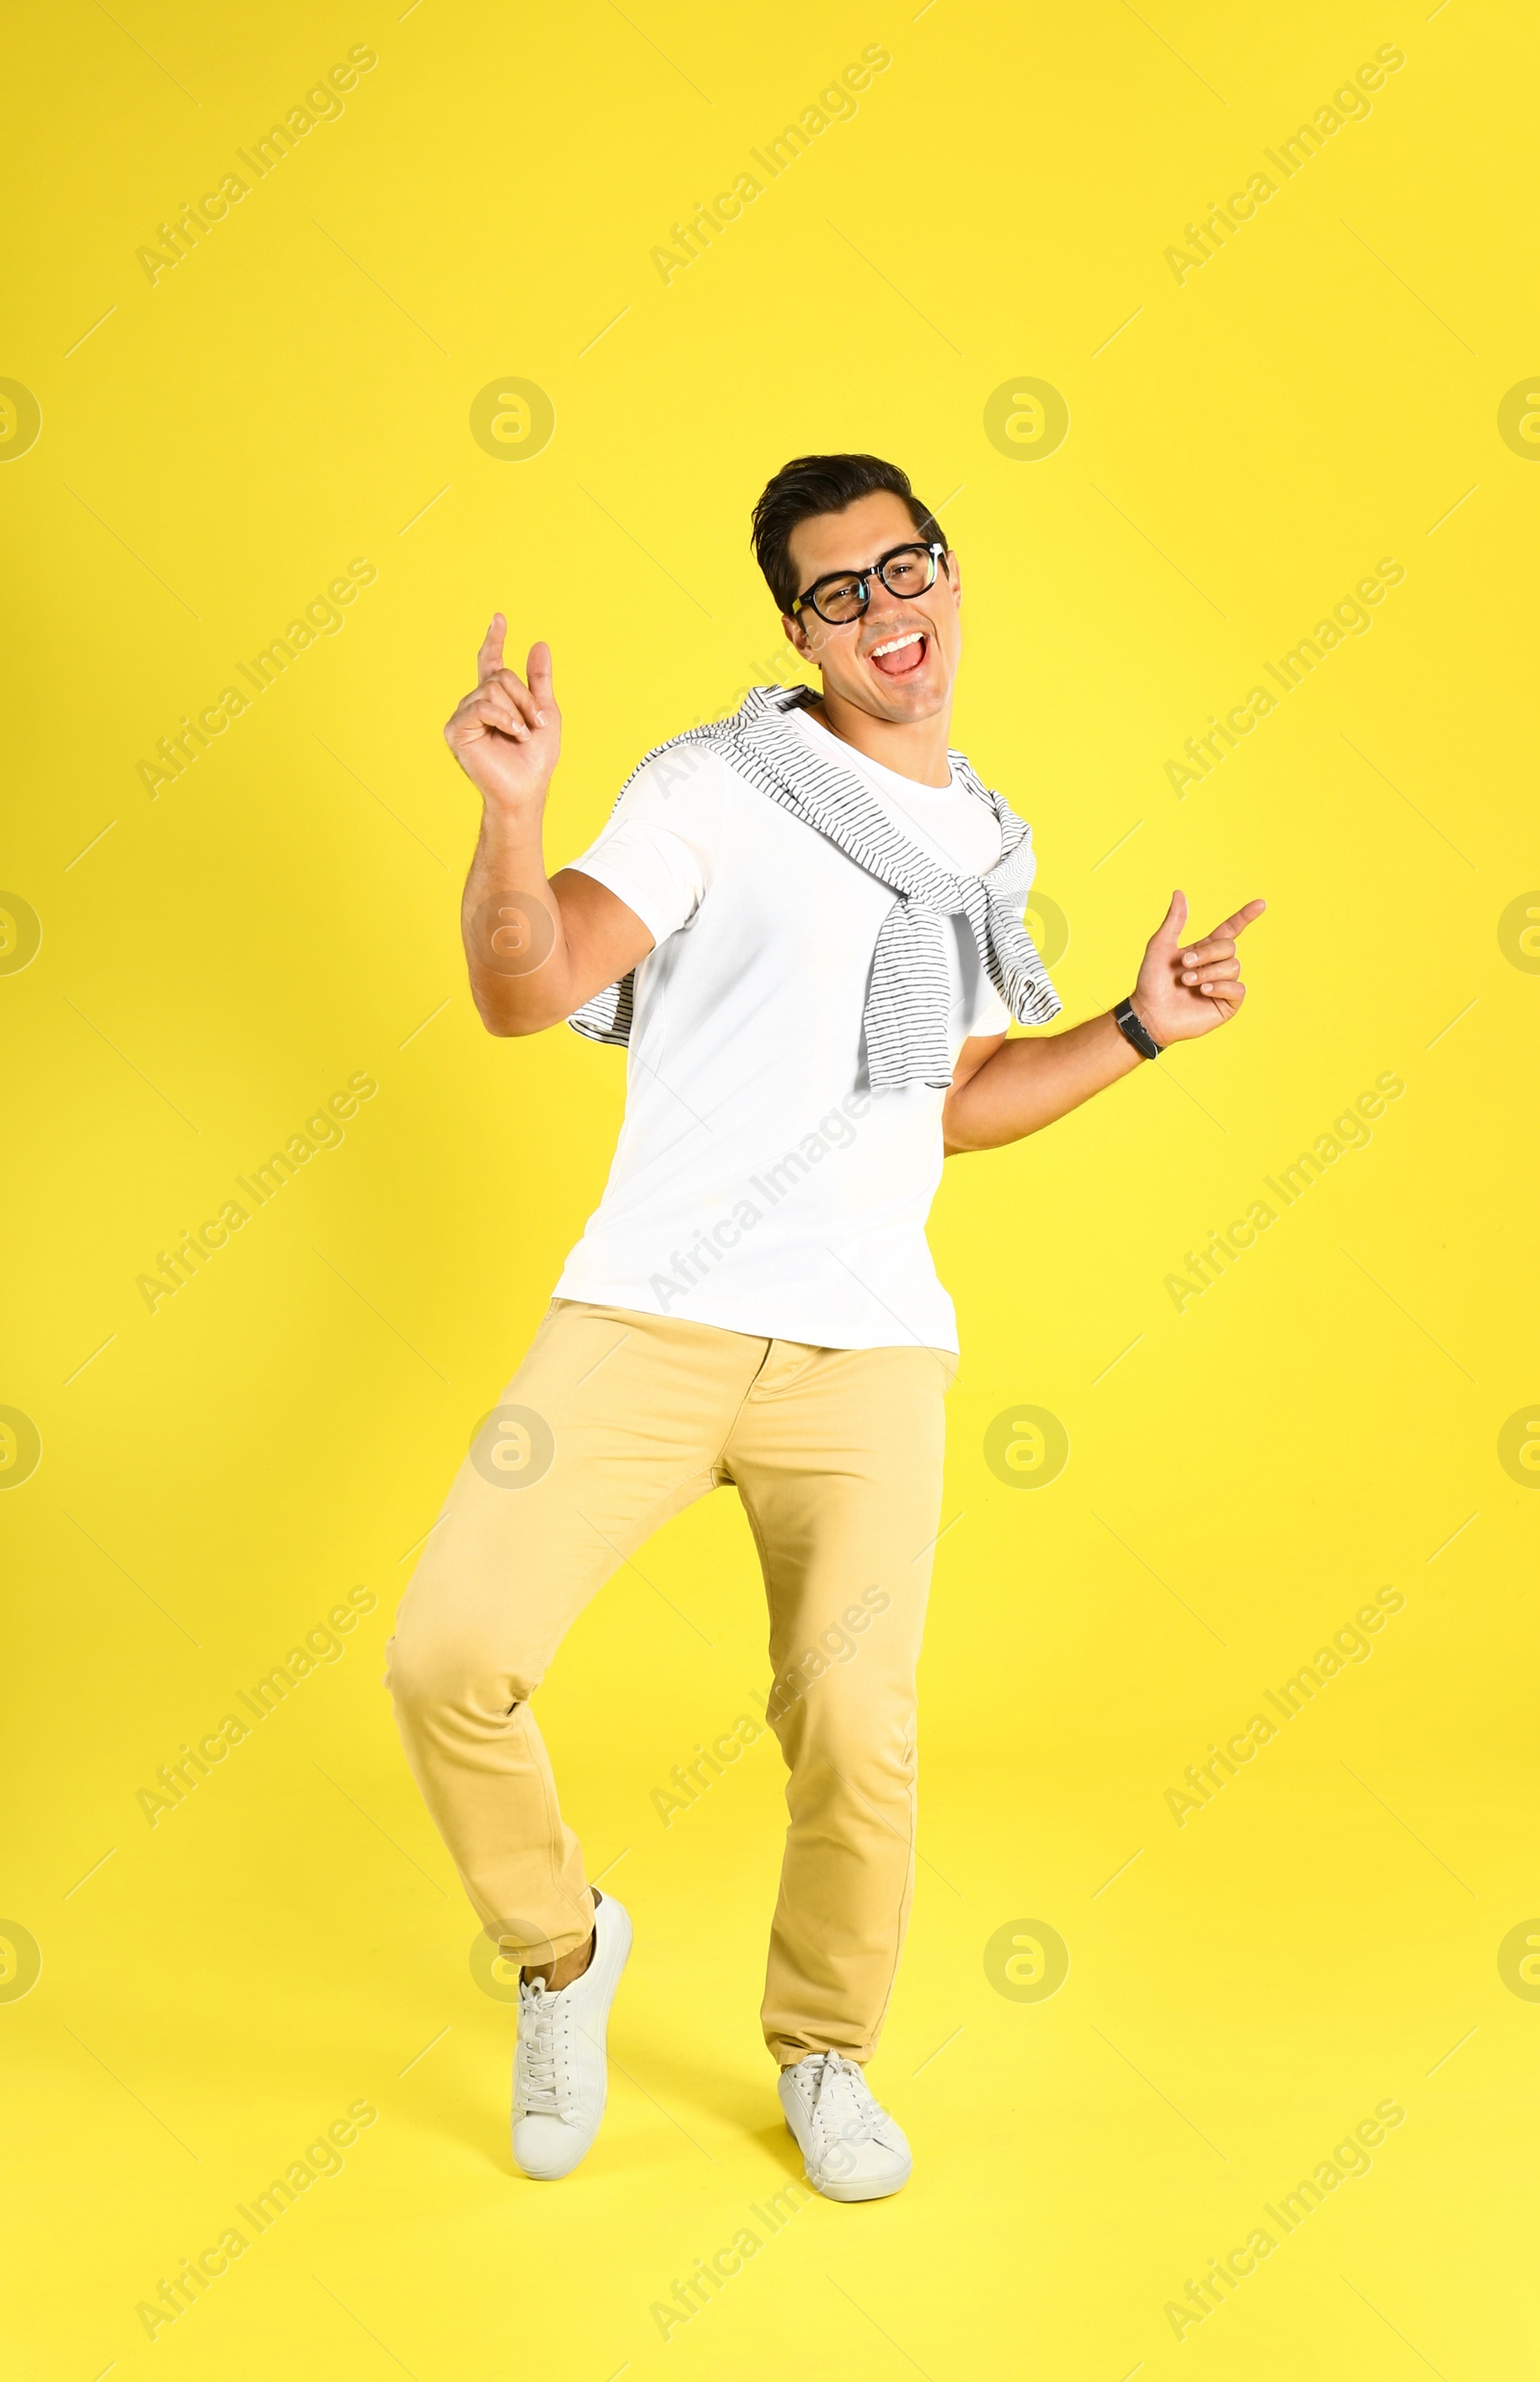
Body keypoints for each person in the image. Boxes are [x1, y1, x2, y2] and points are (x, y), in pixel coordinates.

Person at [386, 452, 1264, 2198]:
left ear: (950, 577)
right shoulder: (713, 786)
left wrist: (1137, 1030)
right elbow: (525, 986)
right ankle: (564, 1959)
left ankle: (827, 2049)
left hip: (867, 1348)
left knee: (857, 1726)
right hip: (646, 1318)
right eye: (841, 592)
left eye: (908, 569)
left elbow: (948, 1101)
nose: (888, 614)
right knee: (446, 1658)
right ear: (798, 626)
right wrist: (509, 816)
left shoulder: (982, 842)